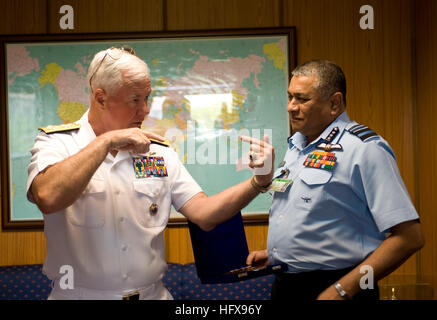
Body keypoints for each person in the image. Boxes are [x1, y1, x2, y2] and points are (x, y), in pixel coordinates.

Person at [26, 46, 274, 300]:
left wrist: (258, 182)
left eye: (147, 98)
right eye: (135, 100)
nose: (145, 110)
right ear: (101, 98)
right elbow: (48, 196)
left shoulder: (158, 152)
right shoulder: (57, 143)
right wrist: (106, 142)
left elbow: (205, 214)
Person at [246, 60, 424, 300]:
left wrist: (343, 290)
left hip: (341, 287)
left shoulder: (364, 148)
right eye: (290, 97)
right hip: (286, 285)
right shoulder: (297, 147)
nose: (290, 107)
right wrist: (280, 254)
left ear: (334, 103)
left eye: (302, 99)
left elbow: (410, 238)